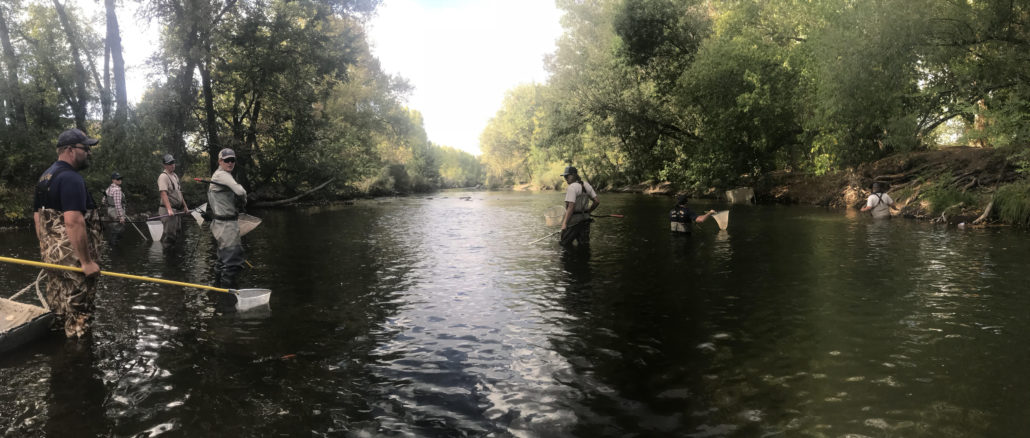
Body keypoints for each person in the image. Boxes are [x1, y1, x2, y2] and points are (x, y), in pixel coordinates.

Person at [32, 128, 102, 338]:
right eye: (86, 148)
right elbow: (73, 221)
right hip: (75, 263)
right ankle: (80, 364)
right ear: (70, 150)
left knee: (60, 311)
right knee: (80, 317)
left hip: (53, 259)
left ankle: (59, 359)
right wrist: (86, 262)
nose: (89, 153)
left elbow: (38, 219)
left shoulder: (45, 177)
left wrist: (49, 253)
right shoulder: (71, 178)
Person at [208, 148, 247, 288]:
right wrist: (244, 199)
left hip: (221, 223)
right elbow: (239, 191)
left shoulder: (221, 175)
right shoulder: (222, 175)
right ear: (220, 161)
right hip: (226, 225)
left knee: (222, 261)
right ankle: (228, 300)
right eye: (226, 160)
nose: (230, 163)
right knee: (232, 263)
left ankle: (218, 291)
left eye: (233, 160)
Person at [559, 166, 599, 246]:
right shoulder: (586, 185)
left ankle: (569, 258)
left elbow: (571, 207)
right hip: (585, 221)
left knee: (564, 244)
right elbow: (596, 201)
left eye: (567, 176)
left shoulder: (572, 187)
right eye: (564, 176)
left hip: (573, 222)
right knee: (584, 245)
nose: (566, 178)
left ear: (574, 175)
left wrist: (564, 223)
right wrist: (588, 212)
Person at [157, 153, 189, 245]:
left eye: (173, 162)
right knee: (169, 237)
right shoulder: (163, 176)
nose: (172, 165)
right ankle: (167, 257)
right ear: (164, 165)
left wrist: (185, 207)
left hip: (177, 211)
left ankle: (173, 257)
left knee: (177, 234)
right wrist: (169, 210)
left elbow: (179, 193)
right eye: (169, 163)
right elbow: (163, 194)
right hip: (168, 211)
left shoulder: (175, 176)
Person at [104, 172, 126, 244]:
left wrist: (109, 207)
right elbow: (117, 204)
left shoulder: (109, 189)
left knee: (114, 229)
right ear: (113, 180)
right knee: (119, 230)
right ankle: (114, 247)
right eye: (118, 179)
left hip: (110, 211)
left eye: (120, 178)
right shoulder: (117, 190)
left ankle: (111, 247)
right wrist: (121, 217)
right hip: (116, 212)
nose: (120, 180)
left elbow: (103, 200)